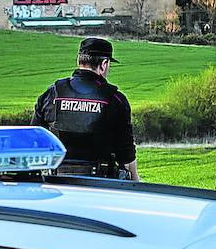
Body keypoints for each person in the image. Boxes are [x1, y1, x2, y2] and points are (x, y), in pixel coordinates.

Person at [32, 38, 139, 180]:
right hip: (103, 184)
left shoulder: (52, 93)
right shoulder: (115, 99)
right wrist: (136, 181)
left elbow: (34, 138)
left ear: (79, 61)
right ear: (104, 64)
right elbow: (126, 155)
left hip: (58, 182)